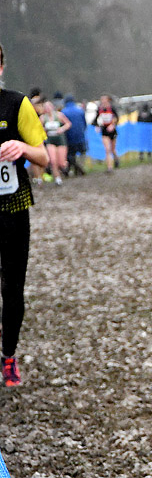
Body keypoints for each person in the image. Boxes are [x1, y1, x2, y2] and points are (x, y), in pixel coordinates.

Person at [0, 41, 49, 386]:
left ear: (1, 68)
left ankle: (8, 356)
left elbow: (43, 157)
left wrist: (23, 148)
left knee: (12, 288)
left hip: (13, 208)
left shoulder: (17, 104)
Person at [41, 99, 71, 185]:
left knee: (61, 163)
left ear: (52, 107)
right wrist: (44, 130)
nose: (48, 109)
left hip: (60, 139)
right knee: (53, 161)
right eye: (46, 107)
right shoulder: (43, 118)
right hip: (50, 140)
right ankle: (57, 178)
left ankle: (65, 167)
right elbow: (38, 128)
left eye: (49, 106)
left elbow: (68, 124)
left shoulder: (59, 115)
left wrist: (62, 129)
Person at [61, 95, 87, 176]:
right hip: (80, 136)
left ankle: (74, 168)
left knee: (70, 155)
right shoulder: (80, 110)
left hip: (69, 137)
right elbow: (84, 124)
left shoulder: (63, 112)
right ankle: (79, 168)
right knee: (82, 152)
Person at [96, 94, 119, 173]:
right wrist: (97, 126)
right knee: (107, 149)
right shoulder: (99, 109)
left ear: (108, 100)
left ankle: (116, 158)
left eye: (104, 100)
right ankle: (109, 167)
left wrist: (112, 125)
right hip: (104, 131)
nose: (103, 101)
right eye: (102, 100)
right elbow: (96, 119)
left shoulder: (112, 108)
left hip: (112, 131)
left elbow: (117, 118)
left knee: (112, 149)